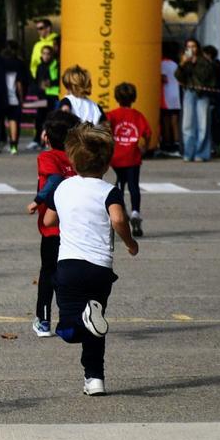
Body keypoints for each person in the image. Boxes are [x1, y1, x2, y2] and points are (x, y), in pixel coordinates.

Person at [45, 122, 138, 397]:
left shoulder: (62, 188)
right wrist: (130, 243)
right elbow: (119, 218)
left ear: (72, 159)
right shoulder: (109, 190)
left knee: (68, 327)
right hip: (100, 268)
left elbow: (49, 218)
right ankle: (94, 378)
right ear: (107, 163)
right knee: (96, 330)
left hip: (69, 265)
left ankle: (83, 322)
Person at [24, 111, 79, 338]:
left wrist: (38, 200)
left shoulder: (48, 157)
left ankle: (44, 320)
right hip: (74, 227)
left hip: (52, 228)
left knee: (48, 273)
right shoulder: (77, 159)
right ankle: (69, 319)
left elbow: (54, 179)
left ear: (46, 136)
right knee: (68, 276)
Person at [106, 83, 150, 236]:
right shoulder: (138, 116)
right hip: (133, 156)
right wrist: (144, 148)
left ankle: (121, 209)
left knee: (119, 183)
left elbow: (104, 127)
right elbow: (147, 133)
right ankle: (136, 212)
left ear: (116, 98)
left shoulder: (112, 115)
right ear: (134, 98)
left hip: (117, 157)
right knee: (134, 185)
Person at [174, 38, 216, 162]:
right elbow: (177, 76)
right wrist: (182, 64)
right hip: (189, 93)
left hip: (202, 94)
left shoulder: (204, 61)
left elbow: (204, 76)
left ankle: (201, 153)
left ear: (197, 48)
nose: (191, 49)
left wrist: (194, 62)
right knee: (187, 125)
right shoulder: (184, 61)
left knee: (202, 124)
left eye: (193, 46)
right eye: (188, 46)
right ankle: (188, 152)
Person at [29, 44, 60, 150]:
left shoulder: (56, 65)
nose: (46, 56)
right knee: (39, 118)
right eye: (44, 53)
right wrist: (38, 89)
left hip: (53, 95)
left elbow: (59, 79)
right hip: (42, 96)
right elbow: (37, 81)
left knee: (50, 120)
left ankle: (48, 142)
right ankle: (37, 140)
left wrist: (50, 82)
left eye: (48, 53)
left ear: (52, 55)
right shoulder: (40, 66)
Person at [159, 41, 182, 156]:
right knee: (175, 121)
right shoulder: (174, 63)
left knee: (166, 121)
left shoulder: (162, 63)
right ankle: (177, 144)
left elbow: (163, 78)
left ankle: (167, 145)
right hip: (175, 96)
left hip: (166, 96)